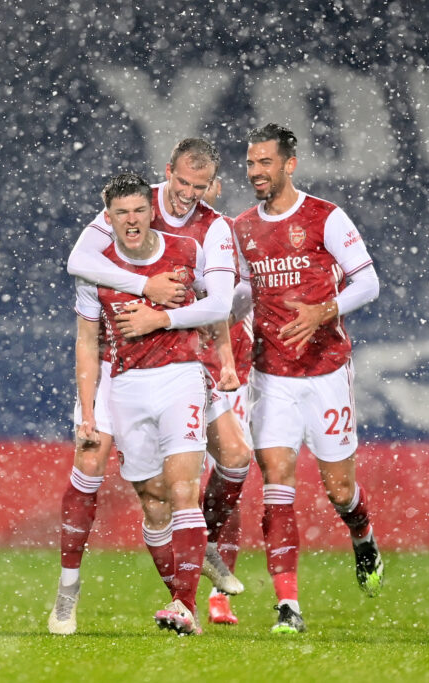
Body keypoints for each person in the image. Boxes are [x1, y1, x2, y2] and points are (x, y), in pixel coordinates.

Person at [50, 139, 251, 634]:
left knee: (226, 462)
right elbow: (78, 262)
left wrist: (170, 321)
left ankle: (189, 586)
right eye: (180, 183)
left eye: (197, 188)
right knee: (134, 486)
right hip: (116, 368)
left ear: (213, 188)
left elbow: (219, 301)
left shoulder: (209, 234)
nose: (185, 195)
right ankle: (68, 591)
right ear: (167, 175)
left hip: (184, 364)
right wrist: (145, 288)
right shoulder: (133, 207)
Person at [233, 123, 383, 634]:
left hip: (326, 372)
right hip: (270, 374)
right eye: (250, 163)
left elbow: (369, 281)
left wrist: (324, 311)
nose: (255, 172)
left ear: (289, 164)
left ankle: (361, 535)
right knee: (276, 481)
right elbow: (238, 296)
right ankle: (288, 607)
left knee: (340, 490)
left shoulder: (325, 217)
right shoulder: (241, 229)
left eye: (265, 163)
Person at [200, 176, 254, 626]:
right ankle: (184, 580)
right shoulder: (162, 232)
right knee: (175, 486)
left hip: (232, 371)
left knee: (229, 473)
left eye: (205, 186)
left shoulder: (233, 234)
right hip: (178, 367)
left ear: (217, 187)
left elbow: (249, 296)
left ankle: (220, 591)